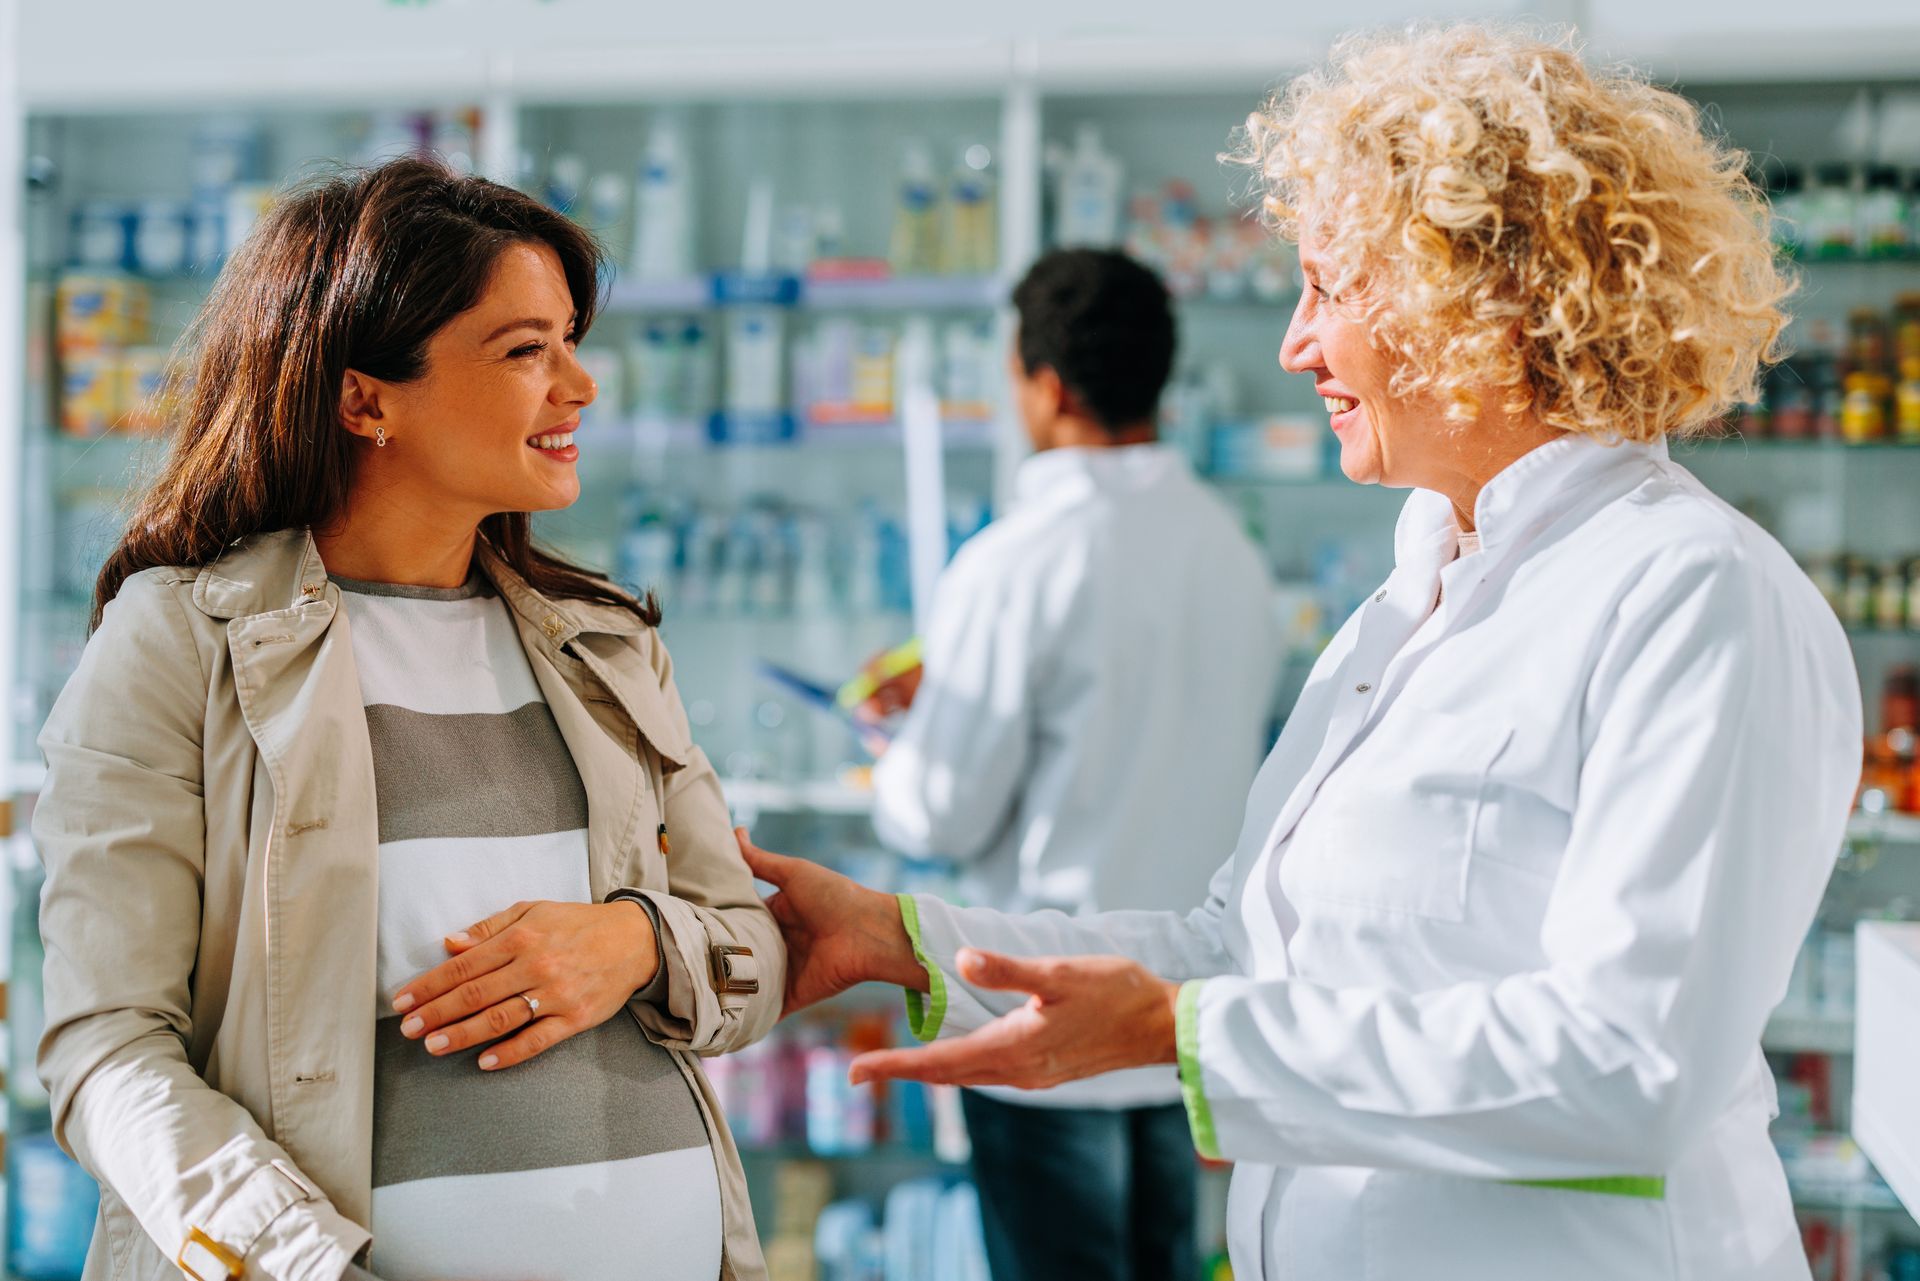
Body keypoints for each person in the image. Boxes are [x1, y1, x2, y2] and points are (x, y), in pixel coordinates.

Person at [740, 24, 1862, 1281]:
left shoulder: (1690, 593)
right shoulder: (1417, 595)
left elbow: (1633, 1064)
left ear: (1470, 295)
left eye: (1330, 286)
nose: (1294, 342)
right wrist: (904, 939)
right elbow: (1246, 952)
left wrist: (1188, 1039)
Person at [32, 157, 782, 1281]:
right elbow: (105, 1049)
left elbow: (752, 951)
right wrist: (303, 1266)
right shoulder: (182, 640)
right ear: (365, 397)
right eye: (527, 349)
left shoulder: (608, 646)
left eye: (571, 340)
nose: (579, 384)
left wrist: (636, 941)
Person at [851, 248, 1279, 1281]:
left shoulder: (1016, 560)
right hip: (1177, 1015)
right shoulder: (1231, 550)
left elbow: (942, 816)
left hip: (1044, 1013)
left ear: (1043, 385)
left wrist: (894, 746)